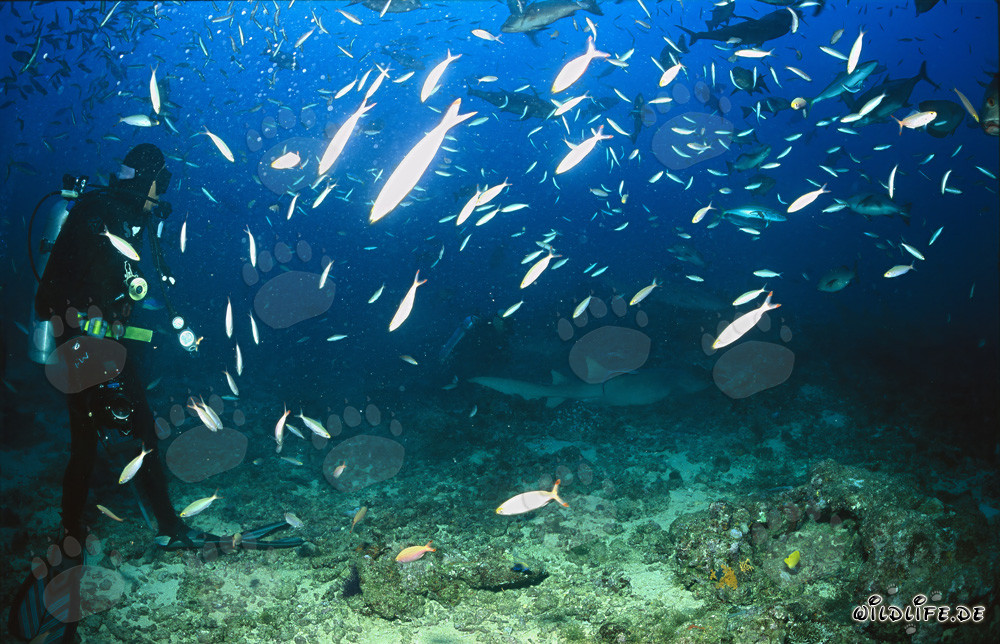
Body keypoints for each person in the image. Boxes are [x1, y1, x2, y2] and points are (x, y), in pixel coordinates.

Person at [9, 144, 300, 643]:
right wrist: (87, 321)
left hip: (112, 351)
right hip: (79, 351)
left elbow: (131, 288)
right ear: (144, 181)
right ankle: (84, 543)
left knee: (124, 435)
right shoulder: (93, 216)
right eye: (159, 186)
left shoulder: (131, 225)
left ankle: (147, 529)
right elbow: (45, 299)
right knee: (93, 444)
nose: (161, 196)